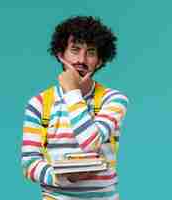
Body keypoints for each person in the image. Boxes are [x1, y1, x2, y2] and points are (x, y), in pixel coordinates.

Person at [21, 16, 129, 200]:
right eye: (75, 50)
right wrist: (64, 178)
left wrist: (72, 91)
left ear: (100, 61)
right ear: (60, 54)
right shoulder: (39, 104)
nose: (81, 60)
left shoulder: (113, 100)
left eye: (91, 52)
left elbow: (90, 143)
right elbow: (29, 164)